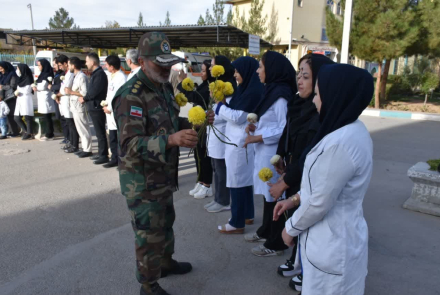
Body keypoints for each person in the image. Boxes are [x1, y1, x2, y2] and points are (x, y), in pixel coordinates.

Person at [274, 63, 374, 295]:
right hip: (329, 244)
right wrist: (295, 199)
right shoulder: (345, 131)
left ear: (336, 96)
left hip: (333, 248)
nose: (316, 101)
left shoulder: (341, 142)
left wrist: (290, 229)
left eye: (319, 94)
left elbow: (320, 200)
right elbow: (323, 185)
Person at [112, 32, 198, 295]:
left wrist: (194, 123)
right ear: (142, 61)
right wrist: (171, 140)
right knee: (148, 234)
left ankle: (165, 263)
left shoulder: (161, 86)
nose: (167, 68)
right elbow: (129, 144)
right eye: (160, 63)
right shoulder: (131, 95)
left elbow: (169, 123)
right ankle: (148, 285)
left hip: (162, 175)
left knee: (165, 223)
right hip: (142, 181)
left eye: (168, 63)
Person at [270, 53, 335, 291]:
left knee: (307, 220)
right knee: (296, 217)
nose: (300, 80)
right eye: (298, 74)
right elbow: (288, 132)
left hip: (305, 175)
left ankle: (308, 268)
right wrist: (280, 156)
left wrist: (285, 182)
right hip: (293, 169)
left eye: (306, 76)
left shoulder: (321, 112)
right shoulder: (298, 103)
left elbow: (309, 153)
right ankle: (298, 259)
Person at [241, 51, 295, 257]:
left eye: (261, 67)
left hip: (273, 154)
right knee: (267, 194)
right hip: (264, 152)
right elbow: (267, 121)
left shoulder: (280, 95)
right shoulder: (270, 91)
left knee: (275, 195)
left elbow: (283, 128)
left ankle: (276, 243)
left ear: (271, 70)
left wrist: (258, 137)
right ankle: (265, 231)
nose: (257, 71)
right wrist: (254, 127)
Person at [214, 55, 255, 234]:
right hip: (238, 141)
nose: (236, 74)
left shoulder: (253, 92)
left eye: (238, 71)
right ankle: (247, 214)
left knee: (237, 181)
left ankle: (237, 222)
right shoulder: (245, 89)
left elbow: (238, 117)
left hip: (239, 142)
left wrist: (219, 107)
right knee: (243, 180)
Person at [177, 60, 216, 202]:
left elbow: (194, 97)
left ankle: (207, 184)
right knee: (198, 154)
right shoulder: (204, 85)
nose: (202, 73)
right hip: (198, 125)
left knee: (204, 155)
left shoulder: (212, 87)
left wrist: (183, 82)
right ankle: (200, 181)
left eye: (205, 70)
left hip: (206, 126)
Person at [83, 52, 109, 164]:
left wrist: (84, 98)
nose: (86, 63)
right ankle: (100, 153)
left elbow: (94, 92)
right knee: (98, 132)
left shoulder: (100, 74)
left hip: (97, 106)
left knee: (100, 132)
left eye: (87, 61)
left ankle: (103, 155)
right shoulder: (95, 73)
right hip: (93, 106)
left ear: (93, 62)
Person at [64, 57, 92, 157]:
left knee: (83, 128)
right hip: (74, 106)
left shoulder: (82, 77)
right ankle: (85, 148)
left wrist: (71, 92)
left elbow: (84, 93)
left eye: (69, 64)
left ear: (73, 66)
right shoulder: (76, 76)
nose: (68, 66)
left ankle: (87, 149)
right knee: (80, 128)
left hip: (79, 106)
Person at [102, 55, 126, 168]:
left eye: (107, 64)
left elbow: (118, 95)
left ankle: (119, 160)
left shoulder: (121, 77)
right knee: (112, 136)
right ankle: (114, 158)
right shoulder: (111, 75)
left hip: (115, 110)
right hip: (109, 110)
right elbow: (110, 94)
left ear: (112, 66)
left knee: (117, 137)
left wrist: (110, 108)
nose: (105, 66)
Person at [57, 56, 77, 153]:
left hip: (68, 101)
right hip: (64, 101)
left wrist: (58, 94)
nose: (60, 67)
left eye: (61, 65)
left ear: (66, 64)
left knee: (71, 124)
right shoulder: (66, 73)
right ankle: (71, 143)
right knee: (69, 123)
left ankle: (74, 144)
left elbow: (66, 89)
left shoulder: (70, 74)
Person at [33, 59, 55, 141]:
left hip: (46, 96)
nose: (38, 67)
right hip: (42, 96)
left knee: (47, 116)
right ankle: (48, 132)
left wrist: (36, 87)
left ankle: (49, 134)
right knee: (46, 116)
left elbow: (43, 86)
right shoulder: (42, 74)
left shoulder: (47, 74)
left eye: (39, 65)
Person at [50, 57, 70, 144]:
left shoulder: (64, 74)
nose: (55, 66)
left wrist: (52, 87)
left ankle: (69, 138)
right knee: (61, 118)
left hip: (62, 97)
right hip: (58, 97)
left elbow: (61, 86)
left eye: (56, 64)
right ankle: (66, 137)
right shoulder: (57, 74)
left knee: (66, 119)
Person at [14, 64, 35, 140]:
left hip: (26, 98)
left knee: (27, 117)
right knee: (16, 117)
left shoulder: (28, 78)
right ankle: (27, 131)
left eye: (18, 68)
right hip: (20, 99)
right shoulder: (20, 78)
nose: (17, 70)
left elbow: (27, 90)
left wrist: (19, 91)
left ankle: (29, 133)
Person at [0, 61, 20, 137]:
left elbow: (13, 86)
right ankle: (9, 131)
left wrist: (2, 87)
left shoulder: (12, 75)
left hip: (10, 97)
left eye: (1, 68)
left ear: (6, 67)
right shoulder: (2, 75)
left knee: (11, 114)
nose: (0, 70)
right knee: (6, 115)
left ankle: (15, 132)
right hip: (4, 97)